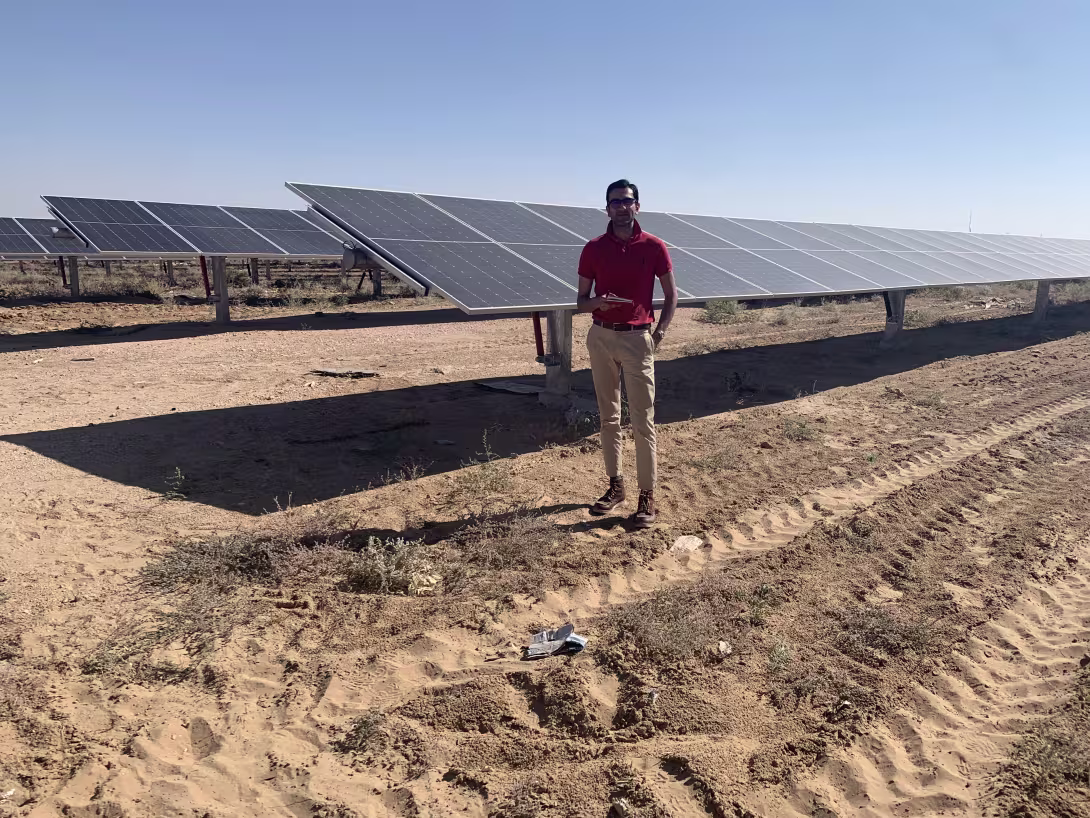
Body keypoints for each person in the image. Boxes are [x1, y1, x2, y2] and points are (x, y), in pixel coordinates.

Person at [576, 179, 679, 529]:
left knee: (642, 421)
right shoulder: (593, 248)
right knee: (608, 417)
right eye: (615, 202)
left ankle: (647, 495)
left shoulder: (654, 246)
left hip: (638, 339)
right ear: (607, 208)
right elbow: (581, 301)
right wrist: (598, 302)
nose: (622, 206)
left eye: (627, 200)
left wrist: (659, 333)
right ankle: (616, 486)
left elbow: (671, 295)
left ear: (637, 205)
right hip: (601, 337)